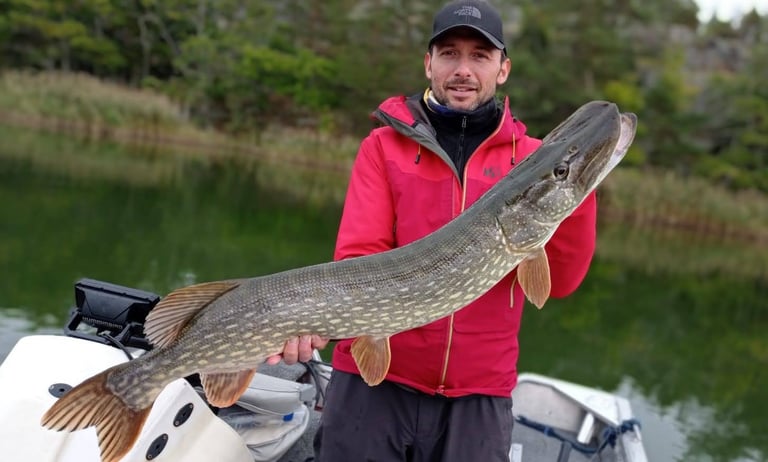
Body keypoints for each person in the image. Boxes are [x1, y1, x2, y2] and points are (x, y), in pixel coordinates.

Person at [268, 1, 597, 460]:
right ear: (429, 64)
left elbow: (559, 282)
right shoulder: (384, 147)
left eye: (480, 56)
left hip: (479, 394)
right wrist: (310, 320)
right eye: (449, 54)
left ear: (503, 69)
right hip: (374, 382)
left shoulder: (532, 161)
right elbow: (359, 260)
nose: (463, 69)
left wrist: (576, 190)